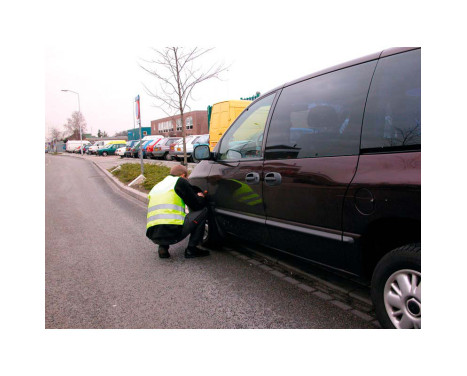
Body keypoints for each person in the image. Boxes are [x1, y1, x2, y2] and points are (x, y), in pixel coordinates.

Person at [146, 164, 210, 259]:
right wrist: (200, 197)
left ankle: (163, 247)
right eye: (187, 177)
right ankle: (192, 249)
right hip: (173, 231)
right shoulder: (180, 182)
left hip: (153, 234)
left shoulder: (158, 185)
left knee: (164, 218)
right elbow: (197, 205)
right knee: (203, 211)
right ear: (183, 175)